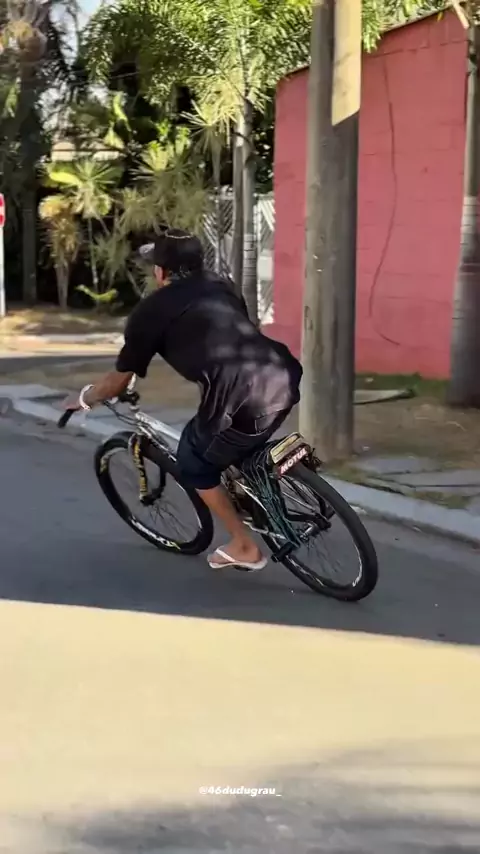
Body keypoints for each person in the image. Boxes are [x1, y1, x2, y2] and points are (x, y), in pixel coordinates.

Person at [63, 228, 302, 571]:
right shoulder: (223, 285)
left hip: (242, 396)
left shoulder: (149, 313)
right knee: (225, 435)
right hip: (282, 373)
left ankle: (245, 546)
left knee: (193, 461)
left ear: (160, 271)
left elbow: (117, 382)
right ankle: (256, 488)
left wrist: (84, 398)